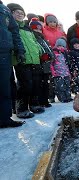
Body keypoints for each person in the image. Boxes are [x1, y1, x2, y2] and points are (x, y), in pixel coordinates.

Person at [7, 3, 45, 118]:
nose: (20, 14)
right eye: (16, 12)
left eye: (21, 12)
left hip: (34, 59)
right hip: (21, 60)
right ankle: (21, 108)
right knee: (25, 84)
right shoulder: (10, 27)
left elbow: (34, 41)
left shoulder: (27, 27)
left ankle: (34, 105)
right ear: (10, 13)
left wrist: (40, 50)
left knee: (35, 83)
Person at [0, 0, 25, 128]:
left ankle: (4, 118)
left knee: (5, 87)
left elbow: (14, 30)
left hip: (4, 53)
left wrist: (20, 49)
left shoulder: (4, 9)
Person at [29, 18, 55, 107]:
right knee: (38, 84)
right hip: (38, 65)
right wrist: (41, 56)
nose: (38, 31)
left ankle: (45, 100)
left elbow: (49, 49)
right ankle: (39, 101)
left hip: (46, 65)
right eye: (36, 29)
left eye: (40, 29)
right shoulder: (33, 39)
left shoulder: (43, 39)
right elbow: (35, 50)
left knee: (46, 84)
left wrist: (51, 56)